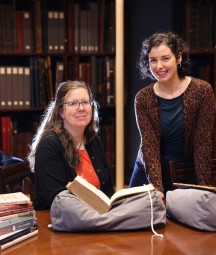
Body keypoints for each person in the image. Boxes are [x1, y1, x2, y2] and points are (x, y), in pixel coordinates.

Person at [129, 32, 216, 196]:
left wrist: (205, 188)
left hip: (185, 172)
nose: (159, 66)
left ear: (179, 58)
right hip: (148, 170)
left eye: (165, 58)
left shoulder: (202, 91)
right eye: (153, 60)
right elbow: (149, 145)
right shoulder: (143, 98)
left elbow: (202, 143)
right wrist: (157, 188)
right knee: (132, 218)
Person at [28, 80, 115, 210]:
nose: (81, 108)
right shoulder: (49, 145)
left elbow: (108, 190)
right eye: (73, 103)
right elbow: (57, 200)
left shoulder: (93, 140)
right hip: (57, 222)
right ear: (61, 111)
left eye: (85, 102)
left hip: (95, 217)